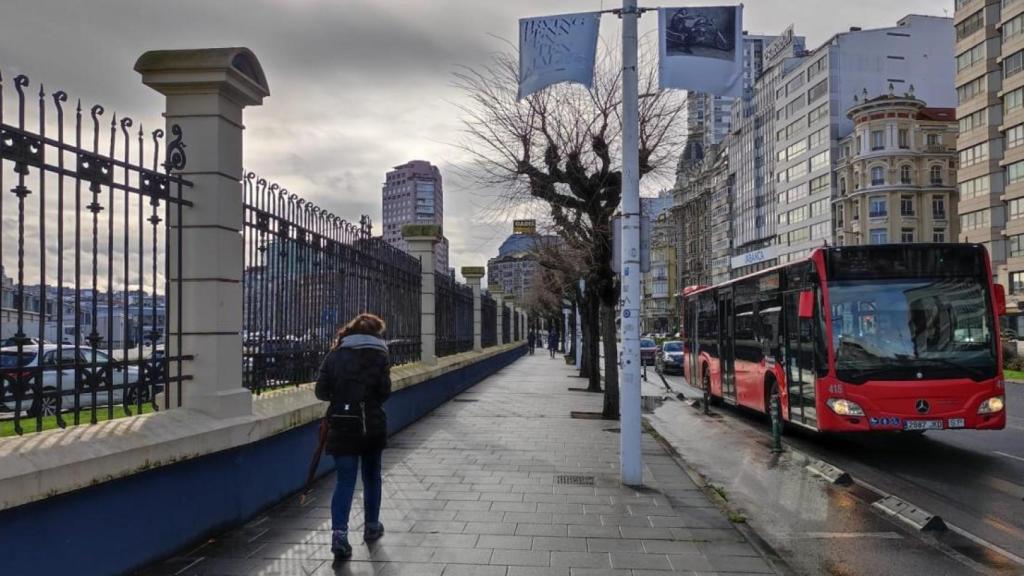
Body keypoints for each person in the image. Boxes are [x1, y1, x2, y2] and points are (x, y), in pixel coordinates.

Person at [315, 313, 392, 561]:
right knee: (371, 477)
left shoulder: (335, 355)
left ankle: (339, 535)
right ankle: (371, 526)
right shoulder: (380, 356)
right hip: (371, 425)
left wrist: (343, 398)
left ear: (349, 331)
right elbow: (384, 392)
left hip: (342, 426)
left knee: (344, 481)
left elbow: (321, 392)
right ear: (376, 333)